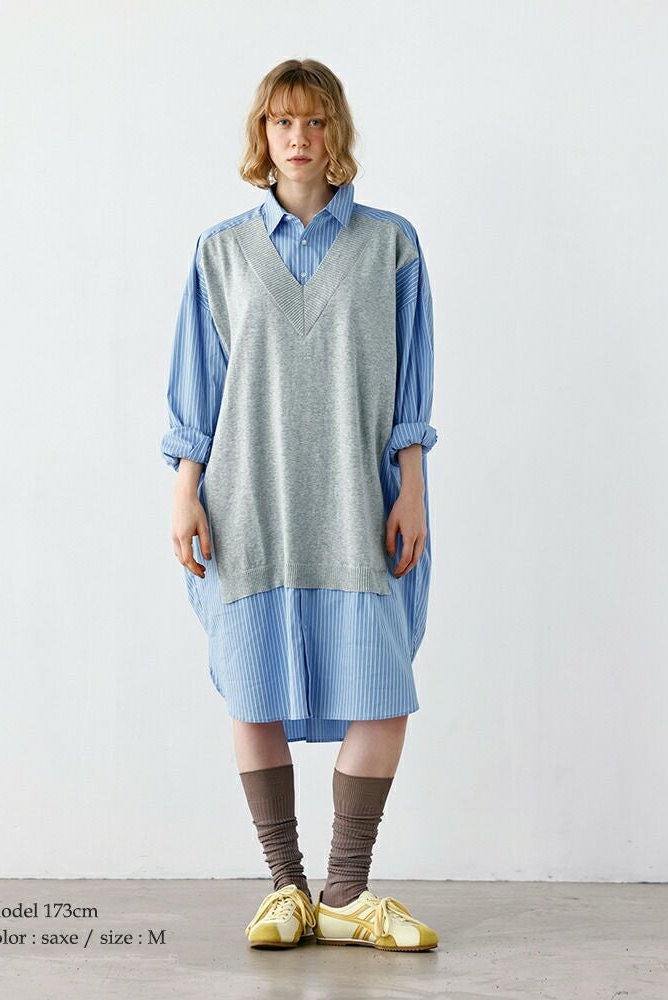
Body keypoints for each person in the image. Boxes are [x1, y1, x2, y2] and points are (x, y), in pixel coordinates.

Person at [161, 58, 439, 951]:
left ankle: (347, 891)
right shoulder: (219, 252)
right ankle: (285, 888)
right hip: (250, 502)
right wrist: (185, 489)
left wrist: (412, 487)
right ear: (263, 134)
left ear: (336, 133)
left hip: (361, 498)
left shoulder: (391, 244)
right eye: (282, 122)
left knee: (382, 692)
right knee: (253, 692)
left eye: (315, 121)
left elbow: (412, 383)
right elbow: (198, 386)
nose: (299, 138)